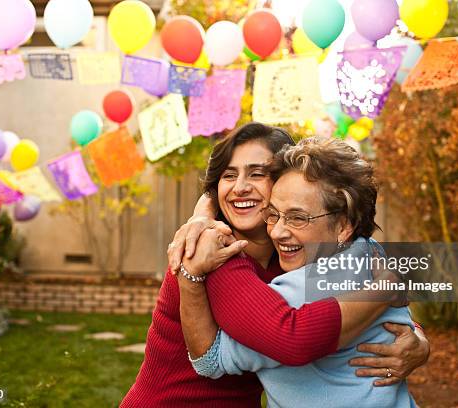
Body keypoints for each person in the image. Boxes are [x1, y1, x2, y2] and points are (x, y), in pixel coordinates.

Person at [120, 124, 429, 407]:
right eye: (229, 175)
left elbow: (375, 274)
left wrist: (417, 338)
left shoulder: (294, 254)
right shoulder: (214, 252)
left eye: (256, 173)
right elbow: (291, 338)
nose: (240, 187)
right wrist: (387, 288)